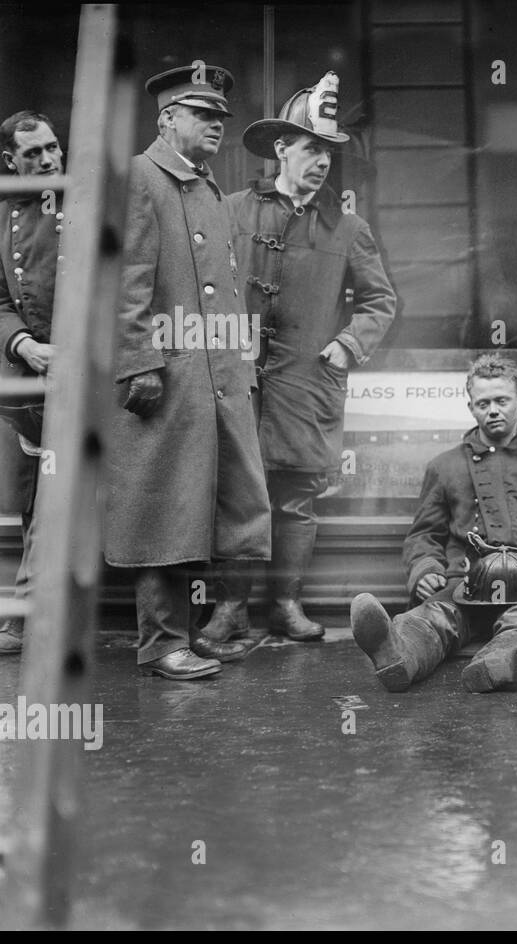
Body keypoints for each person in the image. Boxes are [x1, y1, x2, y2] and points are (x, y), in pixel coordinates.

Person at [200, 71, 395, 645]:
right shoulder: (231, 211)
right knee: (235, 492)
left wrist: (348, 342)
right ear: (282, 148)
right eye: (311, 149)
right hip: (236, 378)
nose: (322, 163)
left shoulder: (349, 226)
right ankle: (229, 609)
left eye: (330, 154)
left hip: (307, 381)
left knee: (295, 497)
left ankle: (285, 604)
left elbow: (381, 301)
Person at [103, 63, 272, 680]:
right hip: (167, 377)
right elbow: (127, 284)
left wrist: (240, 366)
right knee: (164, 511)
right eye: (202, 114)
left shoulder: (205, 187)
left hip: (217, 378)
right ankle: (161, 643)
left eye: (221, 117)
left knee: (219, 511)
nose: (217, 126)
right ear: (167, 118)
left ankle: (207, 629)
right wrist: (140, 363)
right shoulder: (141, 178)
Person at [350, 353, 517, 693]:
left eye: (502, 400)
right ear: (471, 407)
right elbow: (424, 535)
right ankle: (396, 654)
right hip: (462, 584)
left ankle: (502, 660)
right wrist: (425, 570)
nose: (493, 410)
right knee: (434, 618)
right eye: (483, 403)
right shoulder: (444, 466)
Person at [0, 111, 62, 653]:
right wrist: (24, 344)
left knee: (51, 501)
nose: (47, 160)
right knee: (31, 501)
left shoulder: (84, 208)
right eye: (33, 154)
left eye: (52, 148)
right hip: (28, 382)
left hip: (86, 381)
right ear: (10, 163)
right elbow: (0, 300)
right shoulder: (2, 217)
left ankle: (23, 616)